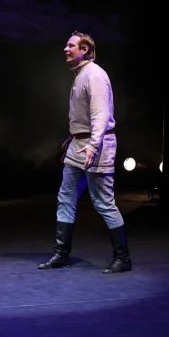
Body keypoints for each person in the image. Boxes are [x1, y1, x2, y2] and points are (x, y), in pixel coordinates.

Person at [38, 31, 132, 273]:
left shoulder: (95, 75)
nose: (65, 49)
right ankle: (61, 254)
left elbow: (100, 115)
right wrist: (75, 139)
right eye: (66, 45)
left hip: (96, 145)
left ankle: (123, 258)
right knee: (66, 196)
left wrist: (92, 146)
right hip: (77, 144)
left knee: (103, 202)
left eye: (71, 45)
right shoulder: (80, 74)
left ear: (85, 50)